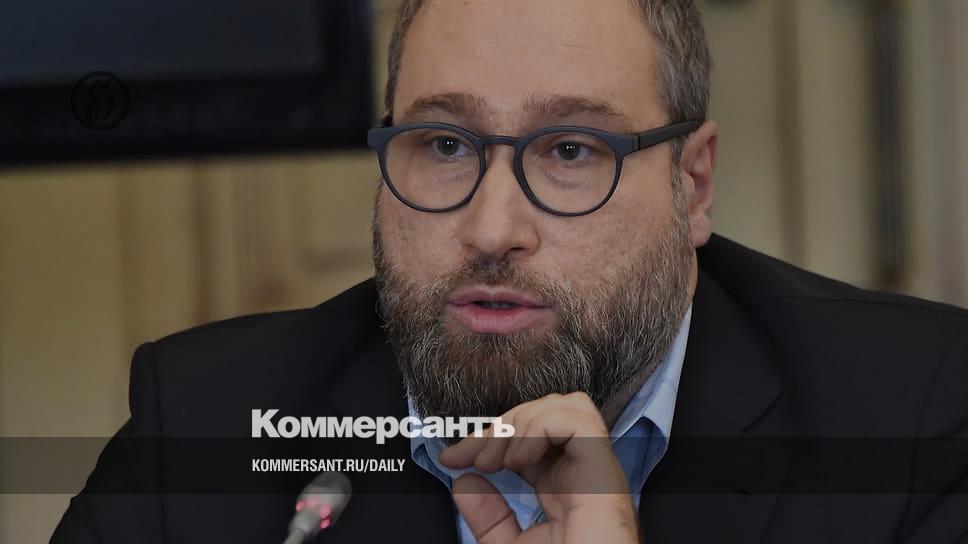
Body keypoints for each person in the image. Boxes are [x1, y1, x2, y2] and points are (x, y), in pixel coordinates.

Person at [53, 0, 968, 542]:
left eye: (571, 150)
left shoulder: (915, 414)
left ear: (692, 185)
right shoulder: (209, 423)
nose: (491, 229)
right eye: (445, 144)